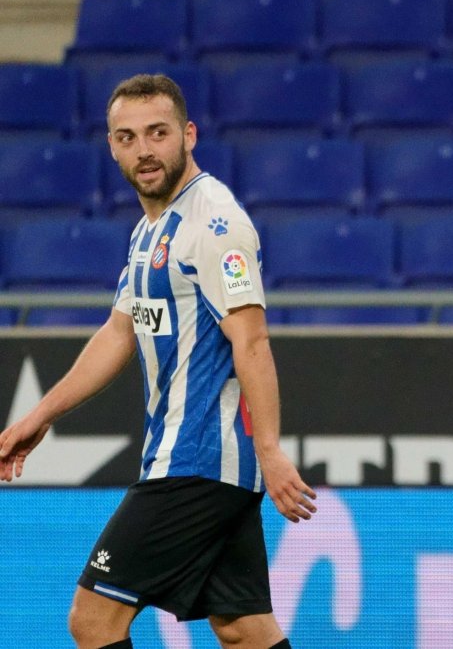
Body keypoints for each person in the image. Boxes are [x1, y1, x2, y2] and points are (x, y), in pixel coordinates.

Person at [0, 74, 316, 649]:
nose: (144, 150)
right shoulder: (150, 229)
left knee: (93, 619)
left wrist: (270, 450)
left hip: (196, 462)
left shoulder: (215, 223)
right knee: (243, 629)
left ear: (188, 135)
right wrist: (37, 416)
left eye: (157, 133)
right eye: (126, 137)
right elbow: (119, 331)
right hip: (195, 461)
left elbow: (252, 342)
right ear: (112, 146)